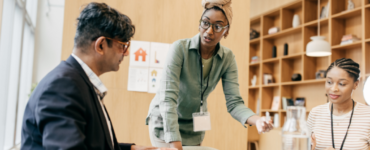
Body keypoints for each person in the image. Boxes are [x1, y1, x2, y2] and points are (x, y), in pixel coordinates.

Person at [21, 2, 175, 150]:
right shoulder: (62, 87)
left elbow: (91, 143)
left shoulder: (77, 81)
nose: (126, 53)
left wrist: (133, 149)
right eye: (123, 46)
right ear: (101, 45)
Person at [145, 0, 273, 149]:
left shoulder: (227, 58)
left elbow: (234, 103)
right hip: (165, 123)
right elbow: (168, 100)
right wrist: (174, 143)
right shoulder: (179, 49)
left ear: (226, 30)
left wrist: (257, 120)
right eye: (205, 23)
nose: (209, 31)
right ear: (199, 23)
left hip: (194, 127)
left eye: (218, 26)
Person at [308, 58, 370, 150]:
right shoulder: (315, 113)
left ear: (356, 84)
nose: (334, 89)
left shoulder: (368, 115)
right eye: (329, 82)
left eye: (342, 84)